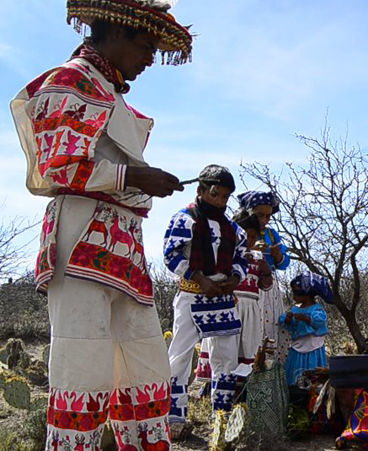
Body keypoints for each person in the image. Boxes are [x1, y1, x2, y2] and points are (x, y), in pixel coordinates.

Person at [10, 1, 191, 447]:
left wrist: (138, 181)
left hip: (124, 250)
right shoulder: (70, 81)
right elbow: (57, 167)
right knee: (82, 372)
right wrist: (135, 176)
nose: (151, 58)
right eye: (147, 46)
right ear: (116, 33)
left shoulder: (109, 93)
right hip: (81, 242)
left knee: (147, 368)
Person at [163, 165, 248, 430]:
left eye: (225, 197)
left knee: (225, 356)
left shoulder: (234, 229)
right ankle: (173, 416)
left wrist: (234, 279)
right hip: (192, 293)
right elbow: (170, 254)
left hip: (222, 297)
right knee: (180, 353)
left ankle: (220, 418)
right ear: (200, 191)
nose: (220, 201)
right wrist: (200, 279)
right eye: (215, 194)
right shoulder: (183, 219)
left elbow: (241, 258)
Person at [236, 191, 292, 362]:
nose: (265, 220)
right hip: (241, 289)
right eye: (260, 215)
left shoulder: (272, 234)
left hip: (265, 287)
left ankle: (265, 366)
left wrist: (277, 256)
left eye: (269, 216)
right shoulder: (238, 232)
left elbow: (284, 264)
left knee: (267, 326)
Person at [280, 272, 333, 386]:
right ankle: (295, 393)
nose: (294, 296)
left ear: (307, 294)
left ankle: (312, 395)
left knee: (313, 374)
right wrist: (288, 319)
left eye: (297, 293)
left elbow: (320, 321)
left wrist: (306, 318)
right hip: (297, 347)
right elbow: (288, 324)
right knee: (296, 372)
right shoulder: (295, 309)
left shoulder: (317, 309)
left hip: (314, 348)